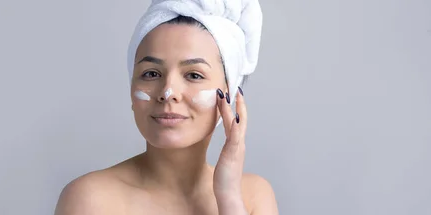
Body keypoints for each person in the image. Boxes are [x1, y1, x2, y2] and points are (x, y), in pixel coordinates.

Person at [54, 0, 278, 214]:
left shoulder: (253, 196)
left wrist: (229, 197)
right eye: (151, 74)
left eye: (193, 75)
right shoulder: (90, 198)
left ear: (228, 95)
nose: (167, 92)